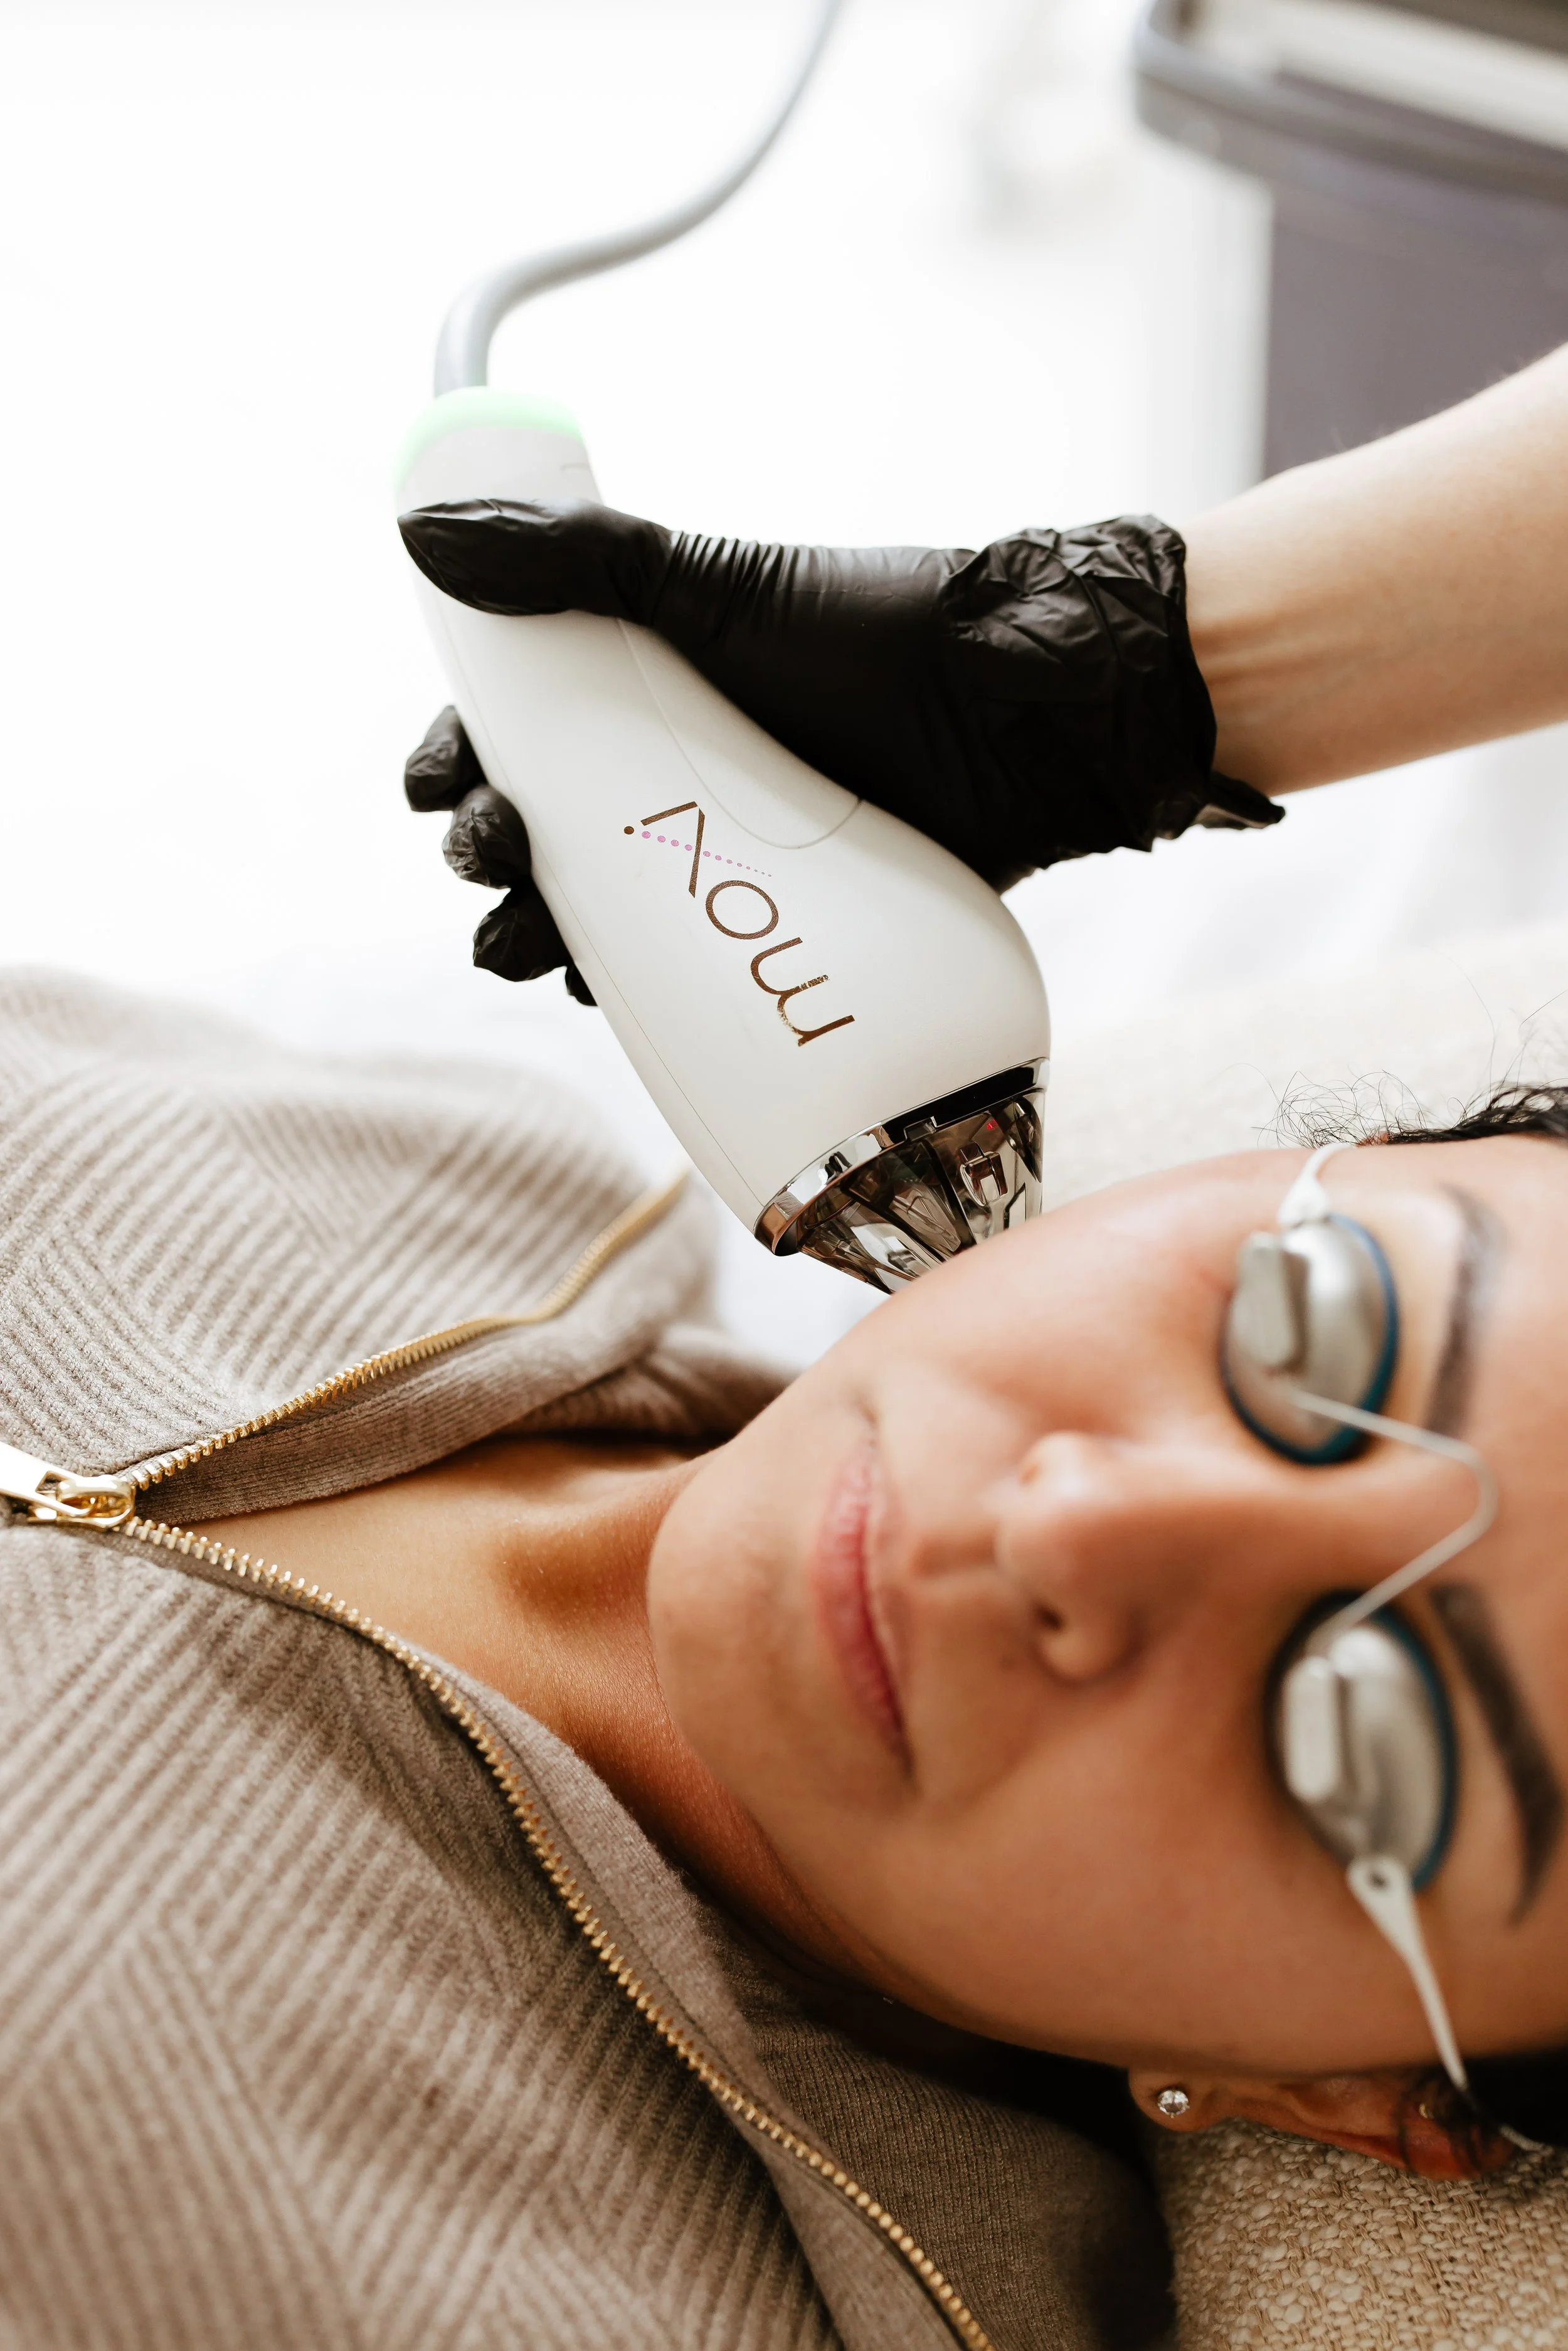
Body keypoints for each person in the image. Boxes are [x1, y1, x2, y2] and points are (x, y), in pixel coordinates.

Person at [3, 349, 1565, 2350]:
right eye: (1310, 1322)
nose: (1083, 1526)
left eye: (1359, 1749)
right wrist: (1143, 665)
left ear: (1358, 2103)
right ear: (1255, 1164)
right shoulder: (448, 1166)